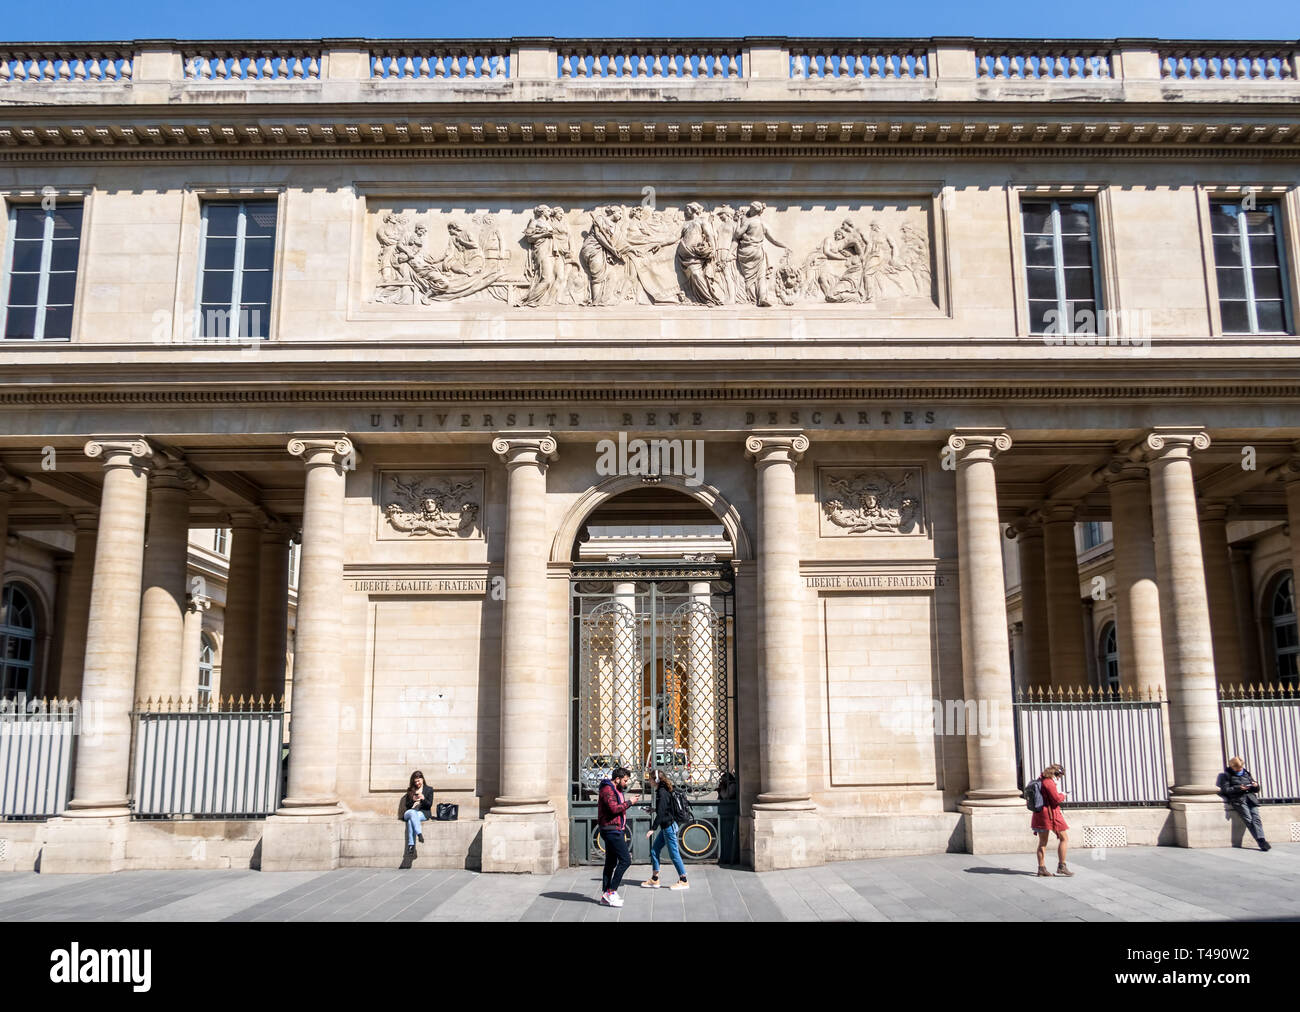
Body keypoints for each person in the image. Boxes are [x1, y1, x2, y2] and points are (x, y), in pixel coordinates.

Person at [597, 765, 639, 906]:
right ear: (617, 779)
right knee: (626, 860)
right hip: (611, 830)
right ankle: (611, 891)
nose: (626, 783)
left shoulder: (615, 789)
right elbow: (614, 808)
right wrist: (630, 802)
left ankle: (605, 896)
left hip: (615, 829)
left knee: (611, 862)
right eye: (625, 780)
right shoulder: (607, 789)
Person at [642, 771, 689, 890]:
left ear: (656, 780)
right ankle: (655, 879)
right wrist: (653, 810)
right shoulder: (662, 791)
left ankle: (684, 880)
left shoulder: (662, 792)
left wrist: (653, 828)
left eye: (650, 779)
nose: (649, 781)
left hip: (668, 827)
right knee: (654, 850)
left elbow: (662, 813)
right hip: (666, 827)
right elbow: (664, 809)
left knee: (674, 854)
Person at [1217, 756, 1270, 851]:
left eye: (1241, 767)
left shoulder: (1246, 773)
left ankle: (1262, 838)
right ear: (1233, 766)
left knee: (1256, 819)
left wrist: (1256, 785)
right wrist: (1238, 788)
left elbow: (1256, 789)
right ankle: (1261, 841)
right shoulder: (1227, 775)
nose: (1240, 769)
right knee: (1249, 820)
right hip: (1239, 800)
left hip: (1251, 799)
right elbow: (1226, 790)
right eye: (1238, 768)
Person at [1032, 763, 1073, 877]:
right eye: (1059, 776)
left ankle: (1041, 868)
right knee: (1064, 838)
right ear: (1056, 773)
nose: (1059, 778)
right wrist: (1063, 794)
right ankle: (1062, 866)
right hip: (1050, 815)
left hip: (1039, 814)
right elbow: (1056, 799)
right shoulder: (1049, 782)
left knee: (1042, 842)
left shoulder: (1041, 780)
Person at [399, 770, 433, 856]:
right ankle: (419, 833)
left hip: (422, 813)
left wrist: (423, 799)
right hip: (409, 812)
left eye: (419, 780)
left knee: (411, 820)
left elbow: (429, 805)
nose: (417, 783)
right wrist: (413, 800)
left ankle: (411, 845)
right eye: (415, 781)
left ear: (422, 779)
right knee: (412, 813)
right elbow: (407, 805)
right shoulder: (410, 790)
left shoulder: (429, 789)